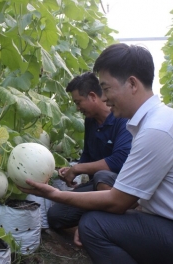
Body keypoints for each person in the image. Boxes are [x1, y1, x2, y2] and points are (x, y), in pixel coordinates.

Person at [19, 43, 173, 264]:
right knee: (100, 207)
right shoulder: (153, 120)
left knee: (94, 226)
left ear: (132, 84)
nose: (103, 98)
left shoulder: (156, 129)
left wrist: (53, 194)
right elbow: (129, 198)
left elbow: (118, 202)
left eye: (107, 88)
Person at [47, 72, 132, 229]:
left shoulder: (122, 119)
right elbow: (87, 153)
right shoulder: (90, 121)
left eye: (79, 102)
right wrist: (72, 170)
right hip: (96, 186)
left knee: (102, 176)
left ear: (93, 96)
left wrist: (78, 168)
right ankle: (95, 216)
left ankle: (120, 216)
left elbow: (120, 160)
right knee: (56, 217)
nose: (77, 108)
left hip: (120, 188)